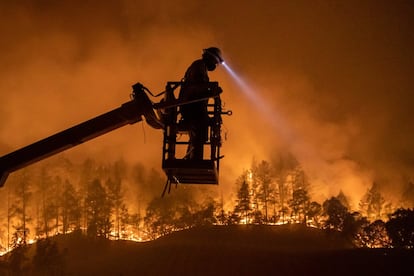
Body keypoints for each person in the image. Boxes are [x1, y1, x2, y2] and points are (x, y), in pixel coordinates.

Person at [179, 47, 224, 160]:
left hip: (194, 107)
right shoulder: (199, 66)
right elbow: (198, 87)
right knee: (201, 129)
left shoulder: (200, 66)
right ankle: (194, 159)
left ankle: (191, 157)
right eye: (215, 62)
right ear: (210, 58)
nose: (215, 65)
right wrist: (212, 90)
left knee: (202, 128)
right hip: (191, 107)